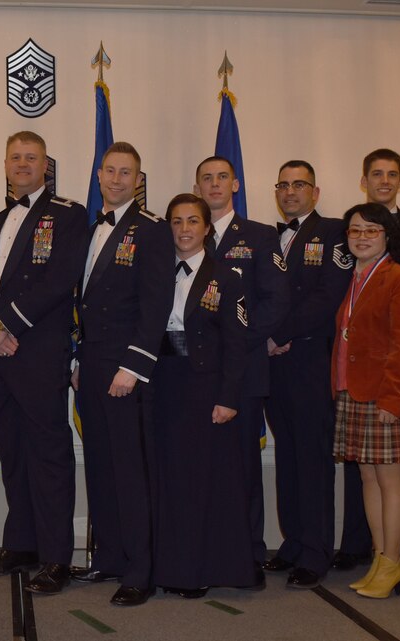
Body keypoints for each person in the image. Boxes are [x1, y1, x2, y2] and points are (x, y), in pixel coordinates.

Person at [0, 131, 87, 594]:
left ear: (46, 165)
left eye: (31, 157)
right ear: (5, 165)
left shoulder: (68, 215)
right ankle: (21, 544)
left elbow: (61, 279)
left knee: (49, 456)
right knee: (13, 450)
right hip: (0, 355)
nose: (22, 164)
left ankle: (57, 556)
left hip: (37, 353)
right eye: (15, 157)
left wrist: (7, 327)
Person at [71, 142, 175, 606]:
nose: (116, 179)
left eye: (125, 172)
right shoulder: (92, 228)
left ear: (139, 179)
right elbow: (84, 304)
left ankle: (140, 569)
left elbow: (156, 306)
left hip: (125, 368)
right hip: (90, 365)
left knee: (131, 471)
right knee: (101, 465)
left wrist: (133, 366)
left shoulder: (151, 229)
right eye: (109, 171)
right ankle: (109, 556)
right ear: (98, 175)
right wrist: (77, 360)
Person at [335, 148, 400, 586]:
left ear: (386, 235)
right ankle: (382, 558)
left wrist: (394, 399)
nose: (361, 236)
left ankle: (394, 559)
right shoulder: (355, 278)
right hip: (354, 393)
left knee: (392, 482)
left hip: (387, 395)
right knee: (368, 481)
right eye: (355, 230)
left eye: (371, 230)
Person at [193, 155, 289, 588]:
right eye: (206, 179)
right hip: (190, 375)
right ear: (198, 188)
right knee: (197, 465)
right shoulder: (181, 236)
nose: (214, 184)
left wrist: (235, 342)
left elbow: (274, 302)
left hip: (244, 371)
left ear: (235, 185)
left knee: (244, 468)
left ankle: (249, 554)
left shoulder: (260, 236)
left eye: (221, 178)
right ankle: (203, 553)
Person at [151, 193, 251, 598]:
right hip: (161, 385)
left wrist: (228, 397)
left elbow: (237, 344)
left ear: (207, 228)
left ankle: (201, 570)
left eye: (193, 221)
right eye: (177, 221)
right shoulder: (155, 273)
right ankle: (170, 567)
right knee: (168, 479)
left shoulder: (226, 278)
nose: (185, 229)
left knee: (202, 482)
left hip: (205, 390)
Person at [263, 160, 353, 589]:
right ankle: (294, 542)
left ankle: (317, 552)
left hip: (310, 362)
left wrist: (278, 333)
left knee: (313, 459)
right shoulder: (267, 237)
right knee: (288, 455)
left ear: (315, 192)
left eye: (299, 185)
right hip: (274, 364)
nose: (290, 192)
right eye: (283, 185)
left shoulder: (334, 232)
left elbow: (327, 296)